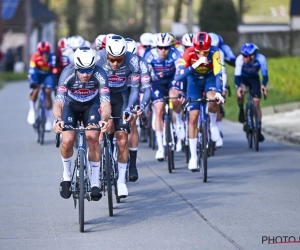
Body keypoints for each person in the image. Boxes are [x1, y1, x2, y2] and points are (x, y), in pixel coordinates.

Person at [53, 46, 111, 200]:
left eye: (89, 70)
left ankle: (94, 183)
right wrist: (58, 120)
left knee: (92, 137)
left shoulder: (100, 73)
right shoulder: (67, 73)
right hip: (71, 106)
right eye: (82, 71)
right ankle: (66, 176)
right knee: (67, 140)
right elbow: (59, 103)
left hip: (91, 105)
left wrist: (104, 120)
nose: (86, 74)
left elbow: (105, 104)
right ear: (76, 67)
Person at [96, 35, 146, 197]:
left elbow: (135, 89)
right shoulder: (98, 58)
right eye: (112, 59)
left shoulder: (133, 61)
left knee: (123, 139)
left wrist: (130, 109)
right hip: (102, 95)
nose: (116, 63)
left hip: (122, 95)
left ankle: (121, 182)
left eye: (119, 59)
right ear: (106, 54)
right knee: (105, 125)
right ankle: (100, 161)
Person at [174, 32, 224, 171]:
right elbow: (179, 76)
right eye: (199, 51)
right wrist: (196, 64)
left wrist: (219, 92)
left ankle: (213, 126)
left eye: (205, 51)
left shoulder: (215, 52)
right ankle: (193, 157)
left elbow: (218, 73)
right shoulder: (188, 53)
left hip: (209, 80)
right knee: (193, 117)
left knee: (213, 99)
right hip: (193, 82)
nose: (202, 53)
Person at [144, 32, 185, 161]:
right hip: (157, 82)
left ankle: (178, 120)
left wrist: (180, 90)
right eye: (160, 48)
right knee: (159, 108)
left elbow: (180, 71)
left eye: (166, 47)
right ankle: (160, 148)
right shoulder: (150, 55)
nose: (163, 51)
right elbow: (145, 73)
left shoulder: (175, 54)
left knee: (174, 97)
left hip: (173, 79)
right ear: (156, 47)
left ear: (170, 47)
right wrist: (154, 76)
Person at [125, 37, 151, 182]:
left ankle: (132, 164)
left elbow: (147, 89)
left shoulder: (141, 63)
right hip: (116, 92)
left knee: (132, 122)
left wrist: (142, 106)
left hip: (133, 92)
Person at [235, 43, 268, 142]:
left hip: (254, 79)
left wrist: (263, 85)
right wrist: (239, 88)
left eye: (245, 56)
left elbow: (265, 75)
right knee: (241, 94)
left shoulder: (261, 59)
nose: (243, 57)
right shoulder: (239, 59)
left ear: (252, 56)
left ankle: (258, 128)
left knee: (256, 102)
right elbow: (237, 77)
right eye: (242, 55)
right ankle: (241, 110)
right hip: (242, 78)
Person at [27, 41, 57, 131]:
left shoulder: (52, 58)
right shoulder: (34, 57)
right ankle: (32, 110)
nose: (45, 55)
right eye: (43, 53)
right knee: (35, 89)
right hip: (37, 74)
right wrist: (32, 81)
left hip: (48, 75)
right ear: (39, 53)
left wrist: (54, 84)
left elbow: (55, 71)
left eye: (47, 53)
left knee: (48, 92)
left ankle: (48, 118)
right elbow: (31, 70)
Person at [208, 32, 228, 147]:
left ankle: (217, 130)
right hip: (201, 81)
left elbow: (222, 73)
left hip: (213, 80)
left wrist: (222, 88)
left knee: (217, 103)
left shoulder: (219, 53)